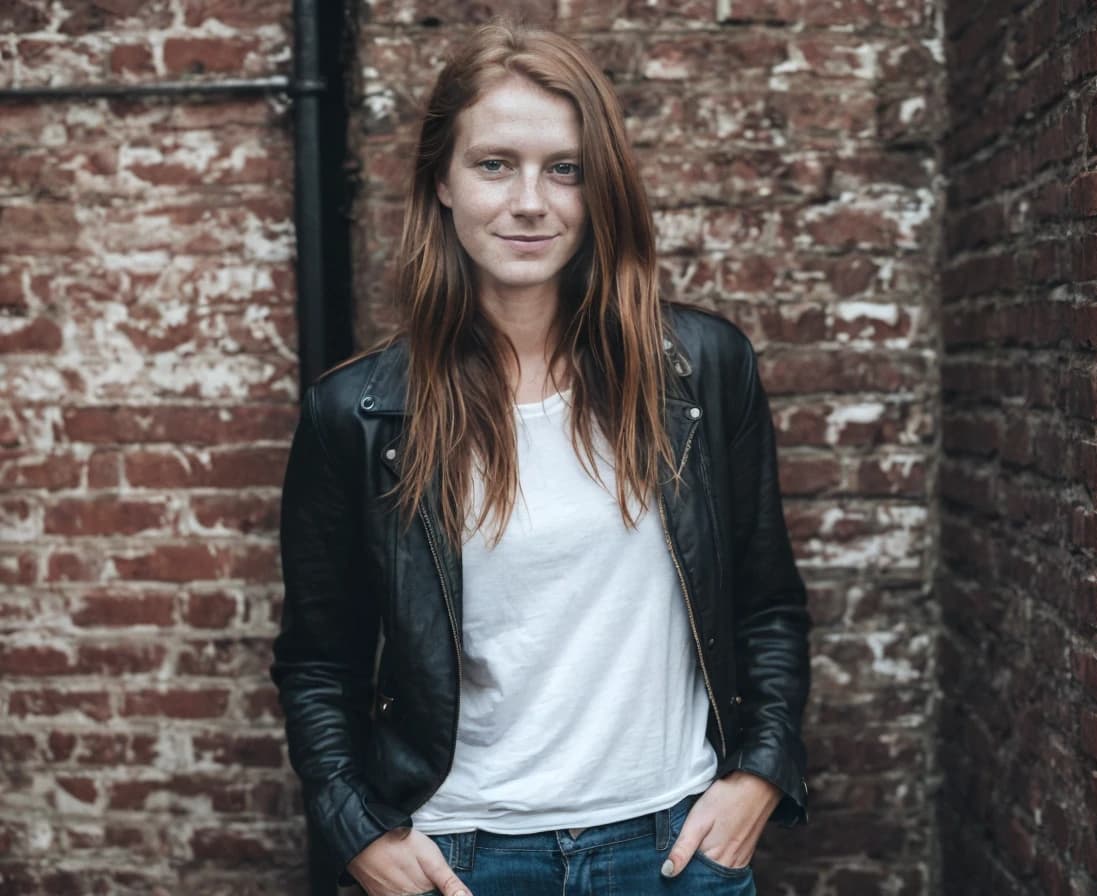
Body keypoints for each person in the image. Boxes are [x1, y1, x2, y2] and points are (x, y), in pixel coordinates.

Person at [272, 20, 810, 896]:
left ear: (601, 191)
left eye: (565, 169)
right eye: (495, 165)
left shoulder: (701, 370)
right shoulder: (358, 414)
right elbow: (318, 662)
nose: (532, 201)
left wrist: (758, 775)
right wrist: (356, 829)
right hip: (464, 859)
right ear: (441, 183)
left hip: (674, 848)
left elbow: (768, 605)